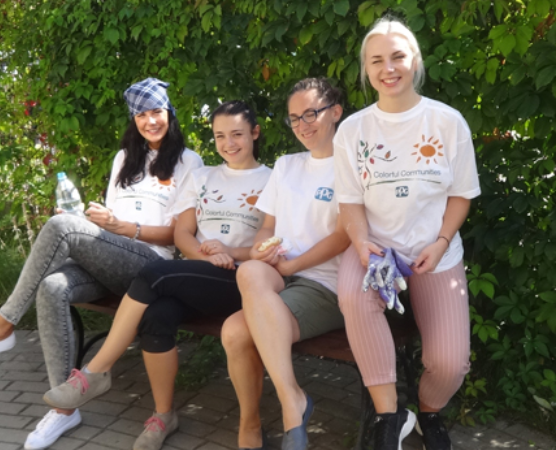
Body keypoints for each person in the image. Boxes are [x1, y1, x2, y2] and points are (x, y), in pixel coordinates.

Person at [0, 78, 203, 449]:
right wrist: (92, 220)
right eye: (141, 114)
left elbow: (179, 234)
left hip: (151, 266)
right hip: (113, 256)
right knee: (53, 285)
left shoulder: (190, 162)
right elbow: (112, 217)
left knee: (62, 226)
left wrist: (123, 227)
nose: (150, 120)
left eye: (156, 111)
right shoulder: (125, 158)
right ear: (134, 120)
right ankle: (65, 409)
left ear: (169, 114)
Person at [42, 100, 272, 450]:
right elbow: (183, 234)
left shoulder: (271, 180)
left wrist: (228, 254)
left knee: (154, 274)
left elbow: (267, 242)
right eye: (220, 136)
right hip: (201, 271)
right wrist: (205, 253)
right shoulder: (203, 175)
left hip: (242, 278)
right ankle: (164, 416)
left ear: (255, 133)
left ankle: (96, 371)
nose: (229, 143)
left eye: (238, 134)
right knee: (157, 313)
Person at [333, 16, 480, 450]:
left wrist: (440, 243)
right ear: (366, 69)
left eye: (397, 56)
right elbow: (350, 202)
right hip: (375, 252)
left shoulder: (446, 121)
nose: (388, 68)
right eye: (376, 60)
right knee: (353, 299)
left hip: (436, 253)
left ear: (414, 60)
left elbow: (461, 195)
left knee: (450, 364)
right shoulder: (352, 131)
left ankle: (428, 412)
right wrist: (360, 242)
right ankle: (388, 415)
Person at [220, 78, 350, 450]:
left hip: (324, 284)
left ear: (335, 111)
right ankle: (291, 398)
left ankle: (254, 423)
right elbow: (267, 227)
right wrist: (262, 249)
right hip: (276, 276)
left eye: (311, 113)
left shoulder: (352, 165)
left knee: (234, 332)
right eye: (294, 118)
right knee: (249, 267)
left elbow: (343, 236)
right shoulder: (287, 164)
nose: (303, 125)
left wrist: (291, 268)